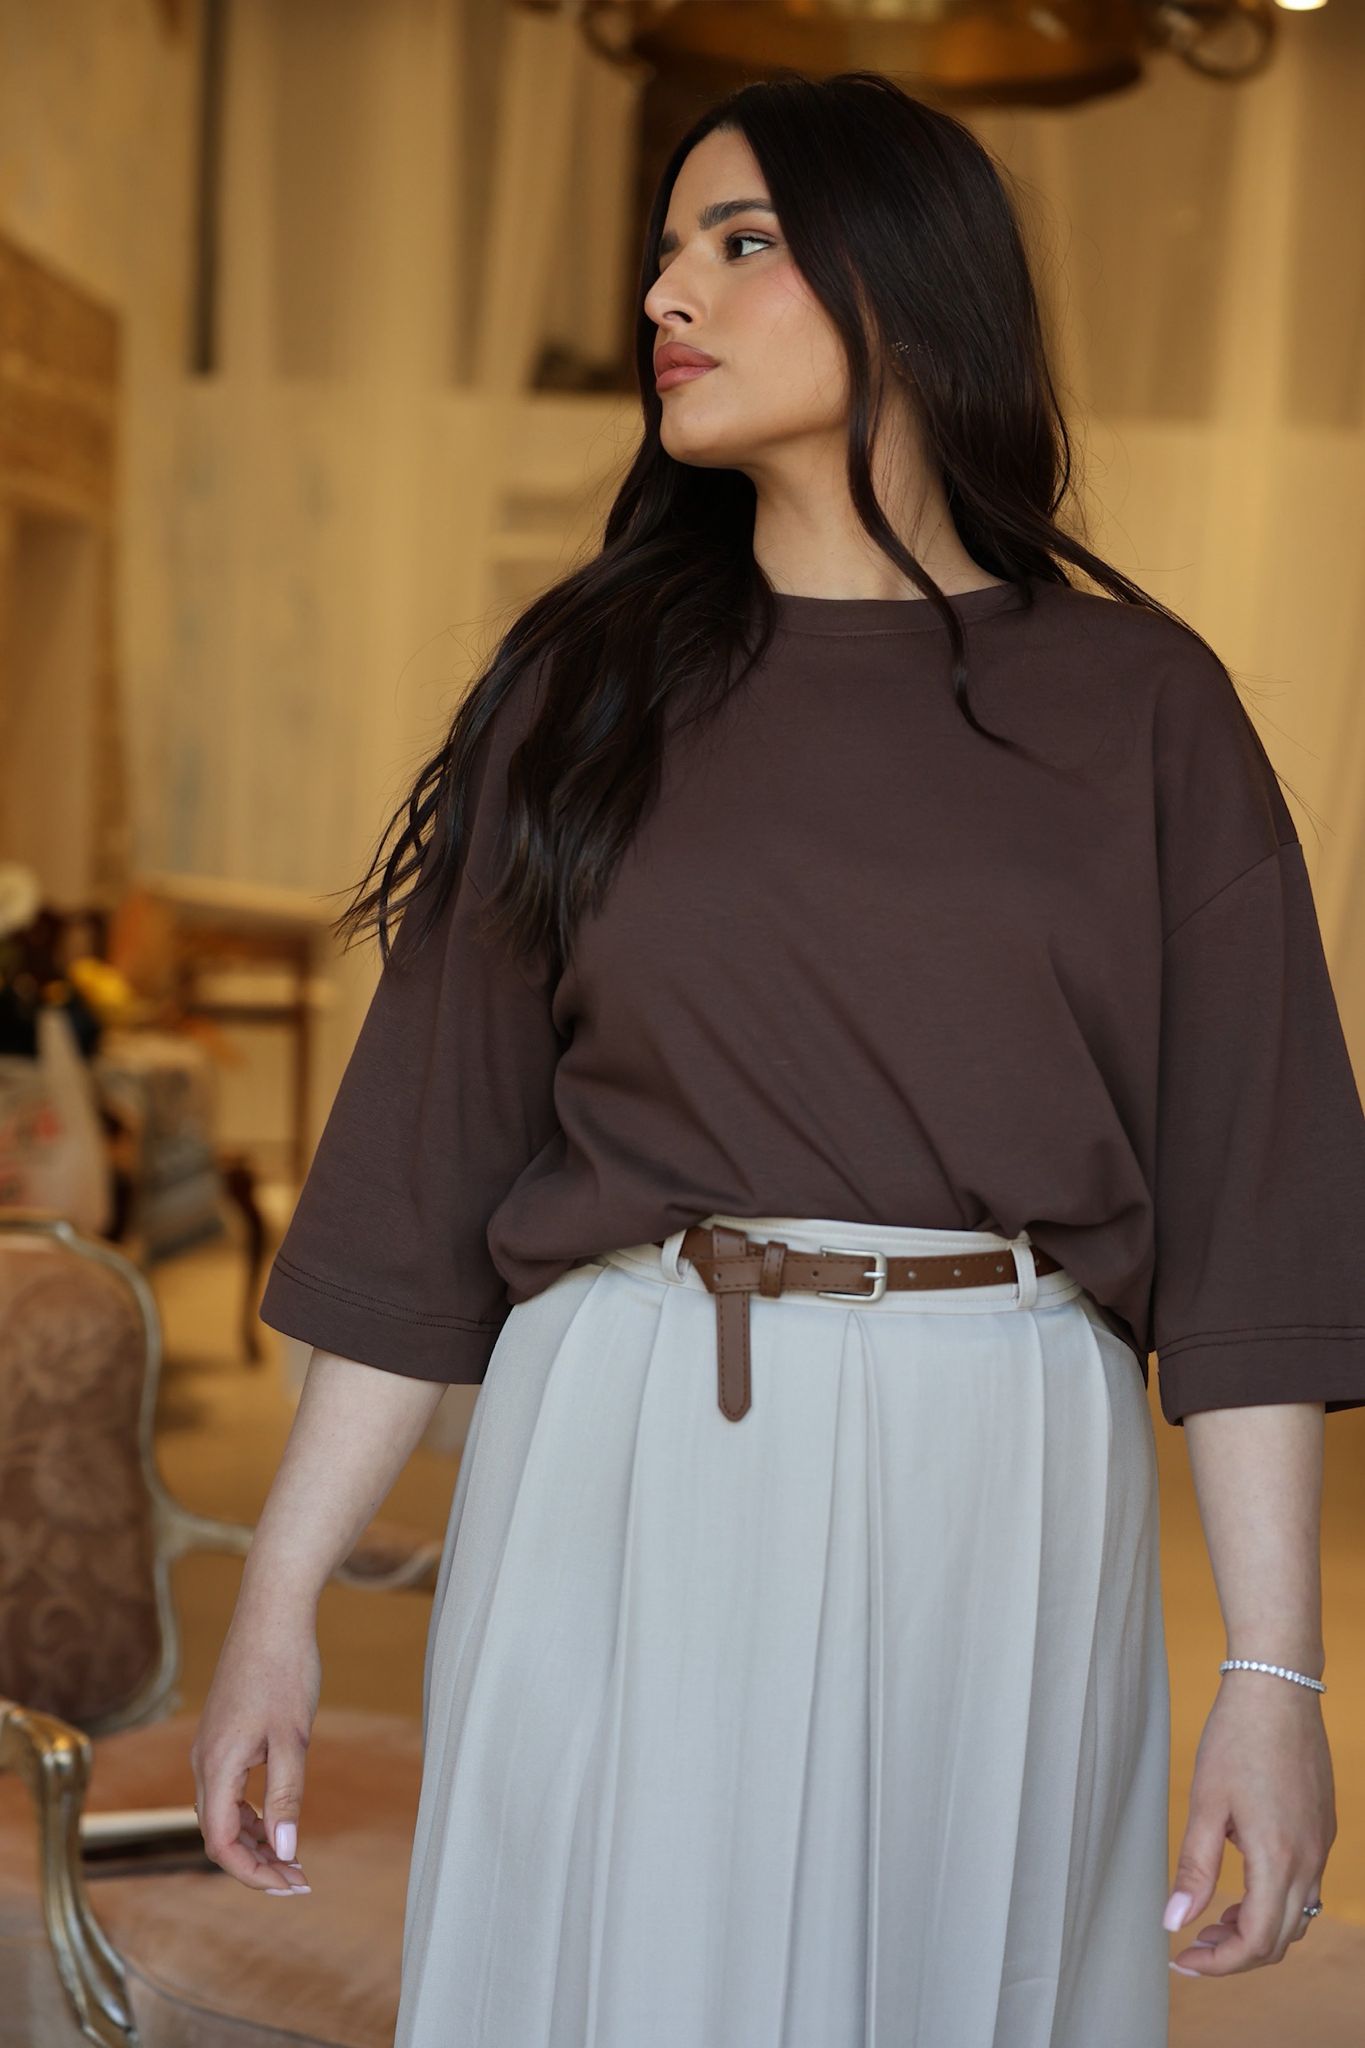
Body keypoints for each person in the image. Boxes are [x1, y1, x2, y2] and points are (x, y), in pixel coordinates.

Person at [189, 69, 1364, 2048]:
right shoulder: (582, 689)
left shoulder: (1141, 706)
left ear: (908, 284)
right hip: (623, 1432)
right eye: (665, 251)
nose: (666, 293)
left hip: (1003, 1465)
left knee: (954, 1981)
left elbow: (1252, 1221)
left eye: (736, 244)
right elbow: (417, 1176)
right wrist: (279, 1600)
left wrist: (1275, 1676)